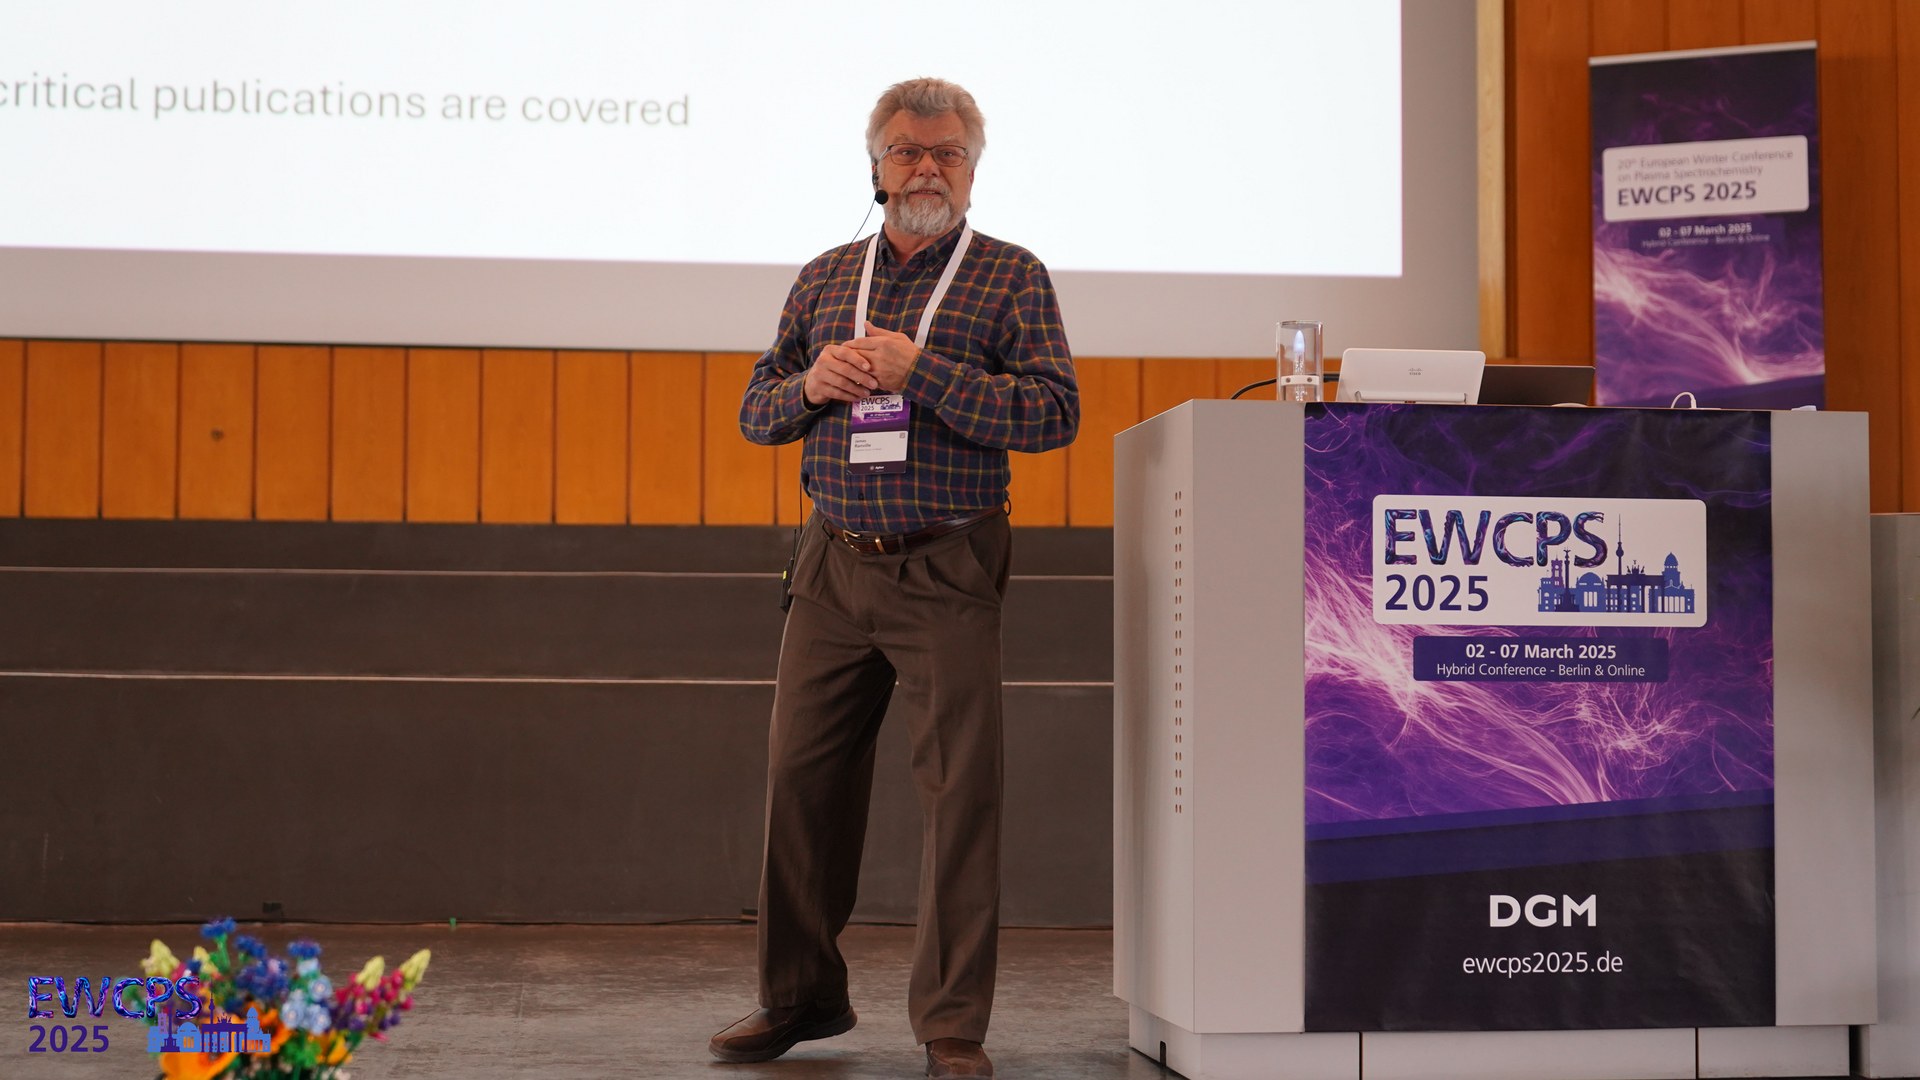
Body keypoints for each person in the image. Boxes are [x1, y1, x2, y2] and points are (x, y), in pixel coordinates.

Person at [710, 77, 1078, 1080]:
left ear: (973, 170)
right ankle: (800, 996)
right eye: (908, 151)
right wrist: (808, 386)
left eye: (948, 153)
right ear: (875, 168)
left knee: (960, 795)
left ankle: (951, 1025)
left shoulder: (1011, 277)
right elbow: (756, 409)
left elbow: (1053, 414)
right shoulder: (828, 276)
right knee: (800, 780)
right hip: (832, 561)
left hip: (947, 562)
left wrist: (925, 373)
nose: (928, 169)